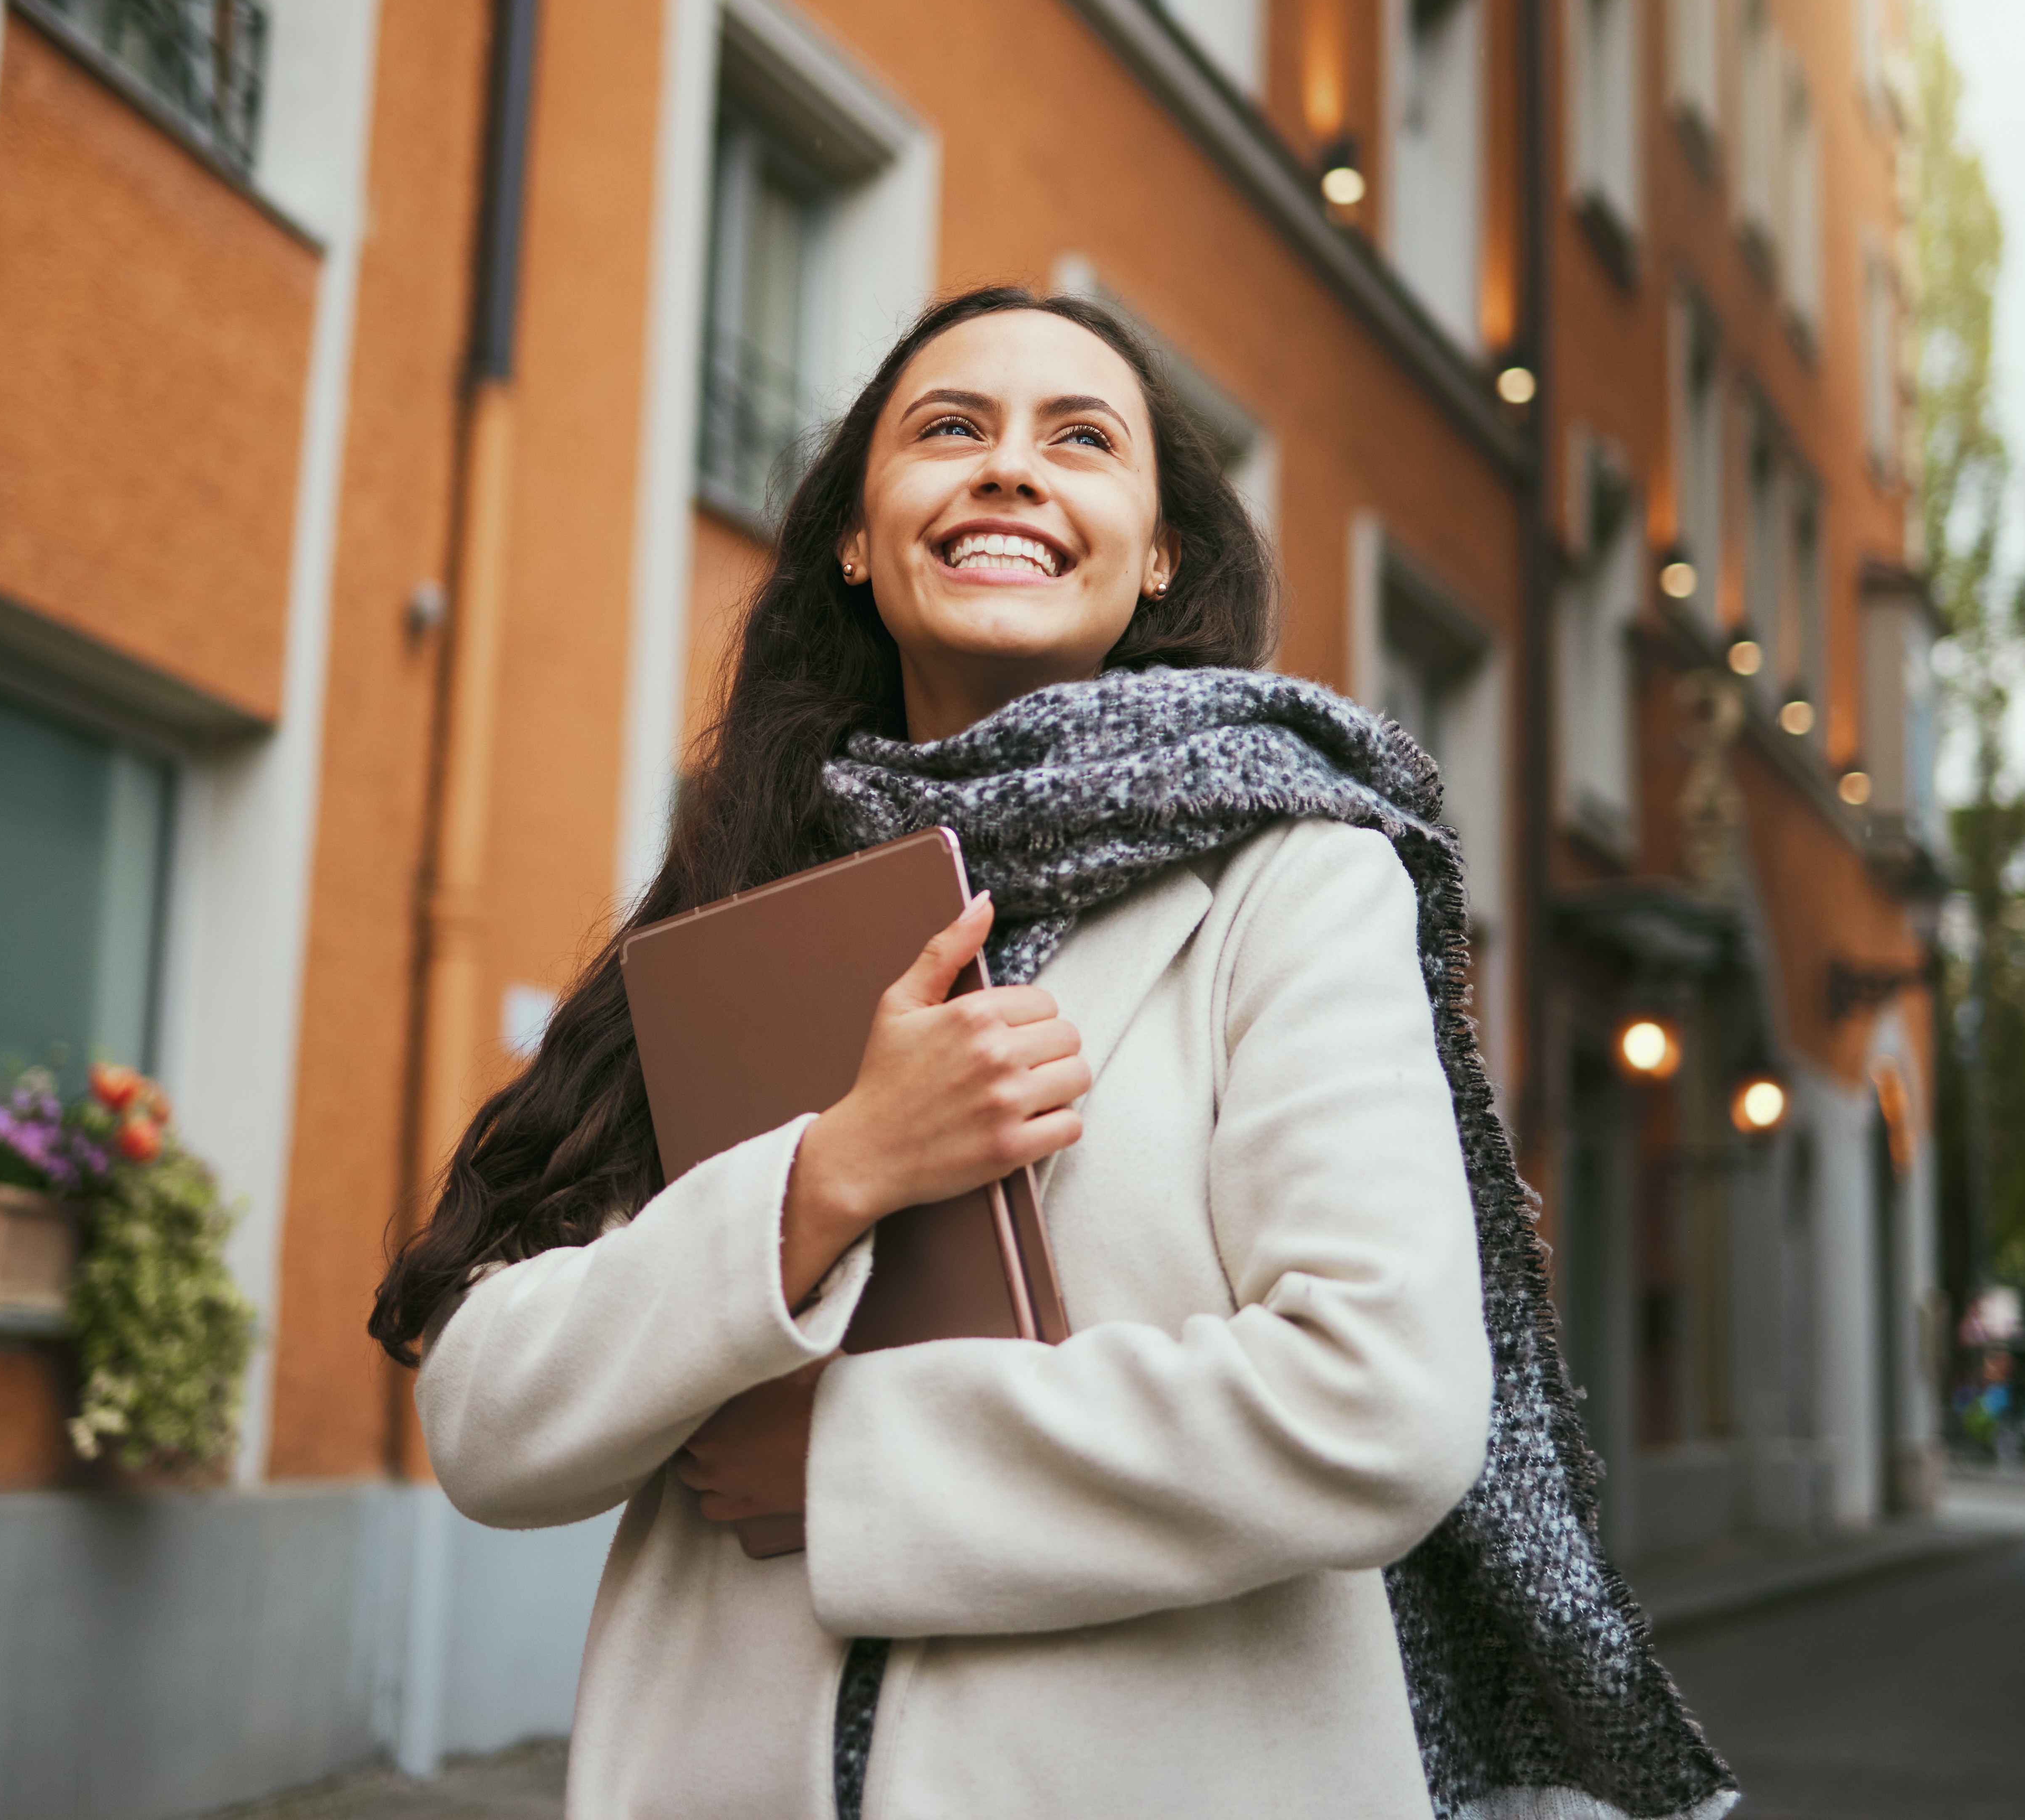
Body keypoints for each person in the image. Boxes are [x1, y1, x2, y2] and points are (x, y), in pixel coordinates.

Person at [370, 286, 1730, 1820]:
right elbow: (487, 1424)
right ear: (857, 539)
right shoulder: (742, 905)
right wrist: (830, 1176)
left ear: (1155, 558)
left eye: (1079, 440)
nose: (1009, 468)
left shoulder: (1295, 879)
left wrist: (849, 1466)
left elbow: (1382, 1402)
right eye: (948, 430)